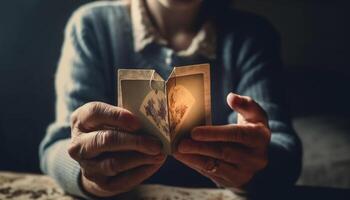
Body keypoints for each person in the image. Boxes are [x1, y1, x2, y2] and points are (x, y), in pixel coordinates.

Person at [40, 0, 302, 198]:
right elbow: (59, 144)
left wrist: (255, 168)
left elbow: (283, 148)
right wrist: (89, 178)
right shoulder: (91, 26)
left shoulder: (253, 36)